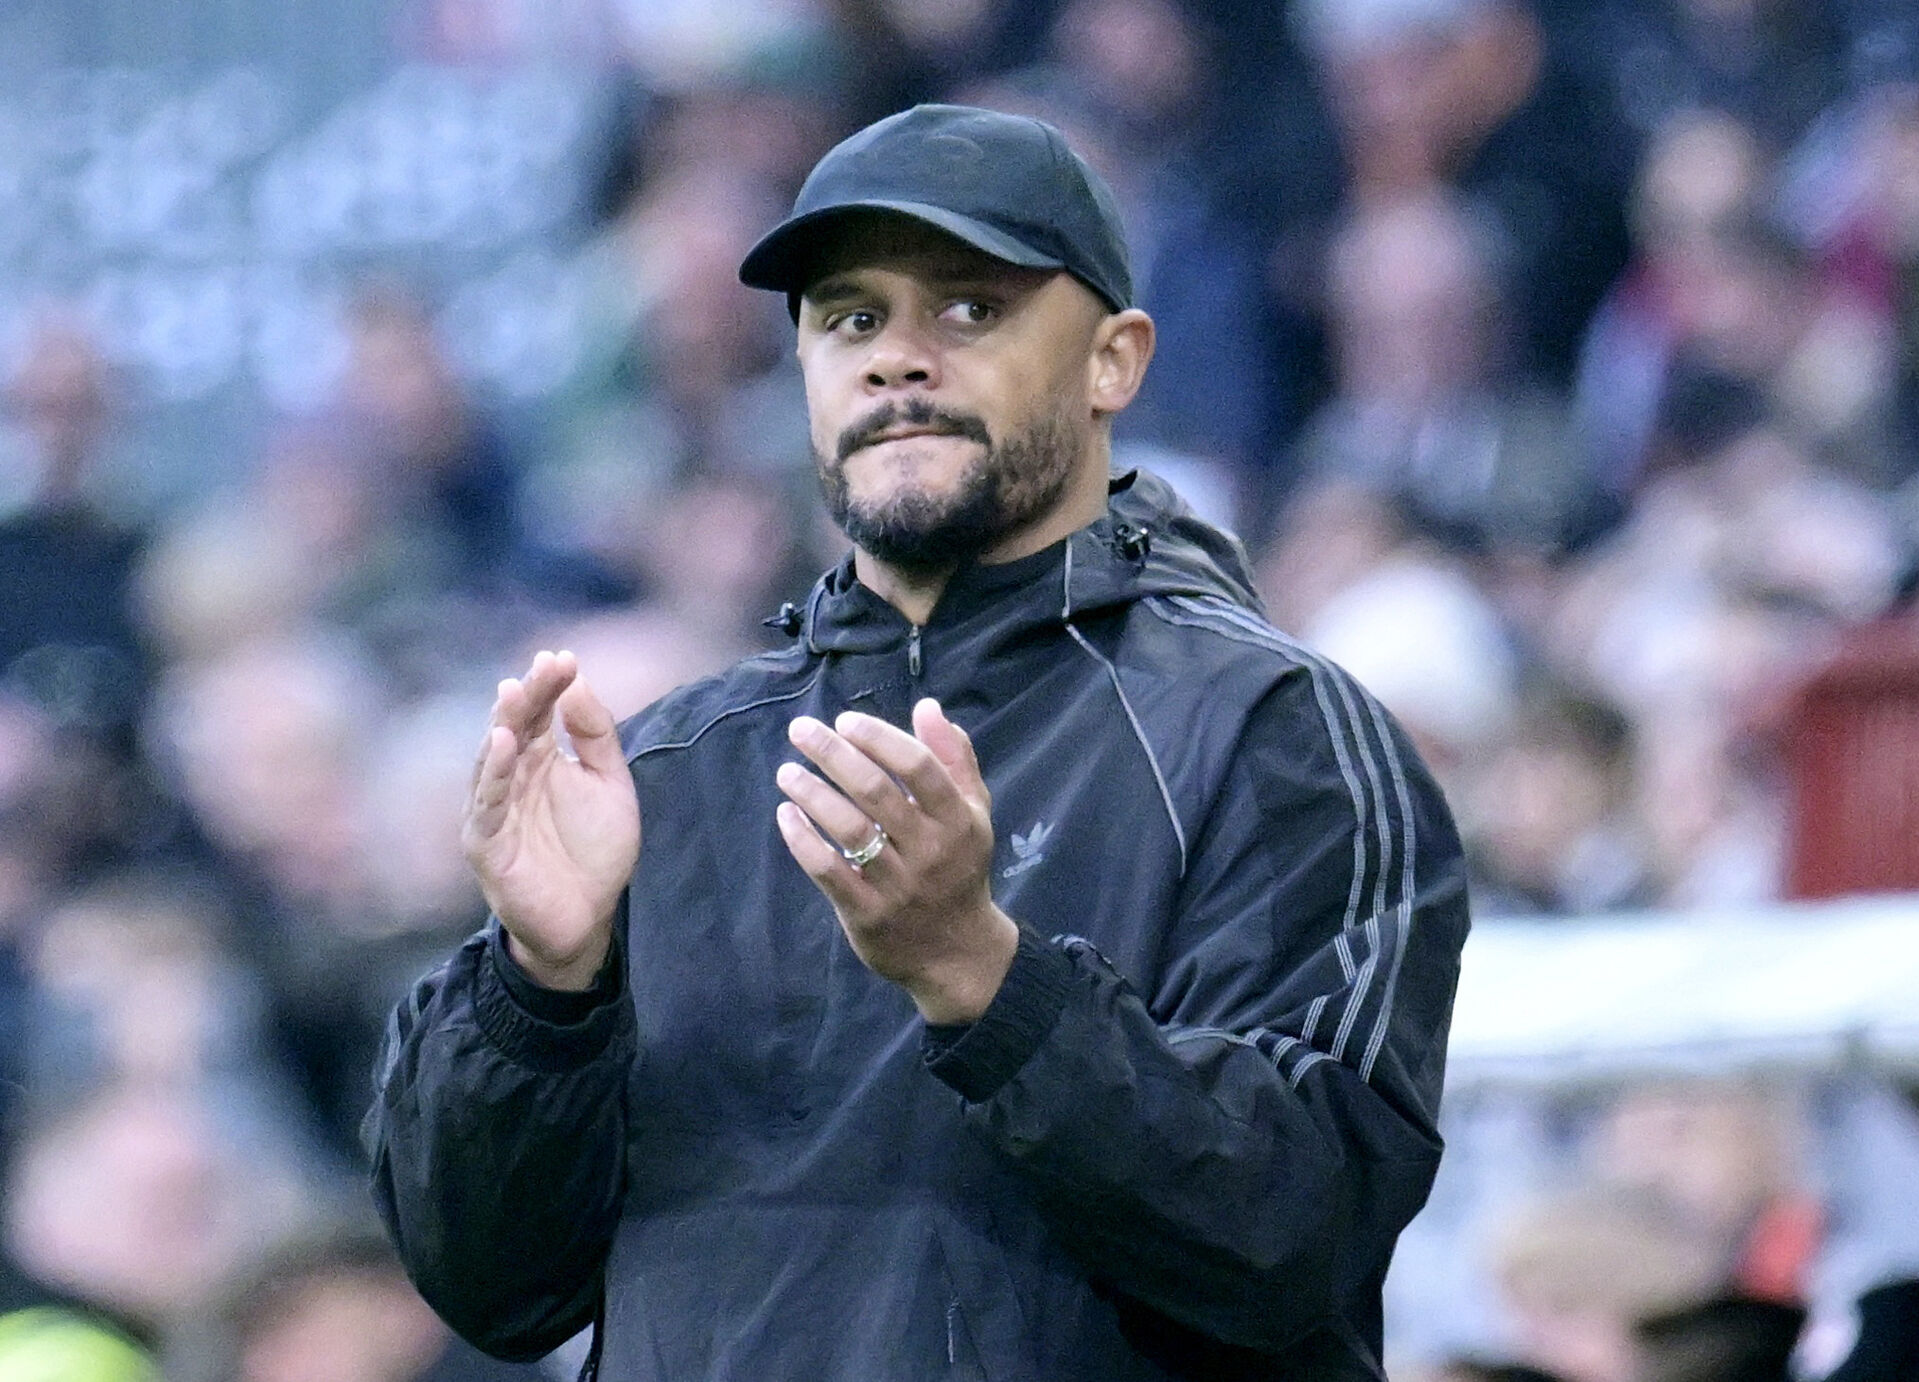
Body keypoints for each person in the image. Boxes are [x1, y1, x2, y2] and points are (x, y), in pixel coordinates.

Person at [366, 103, 1470, 1381]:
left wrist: (982, 976)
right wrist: (540, 991)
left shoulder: (1278, 732)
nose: (896, 359)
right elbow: (495, 1289)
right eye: (850, 319)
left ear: (1114, 362)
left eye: (969, 308)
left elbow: (1297, 1228)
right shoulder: (659, 774)